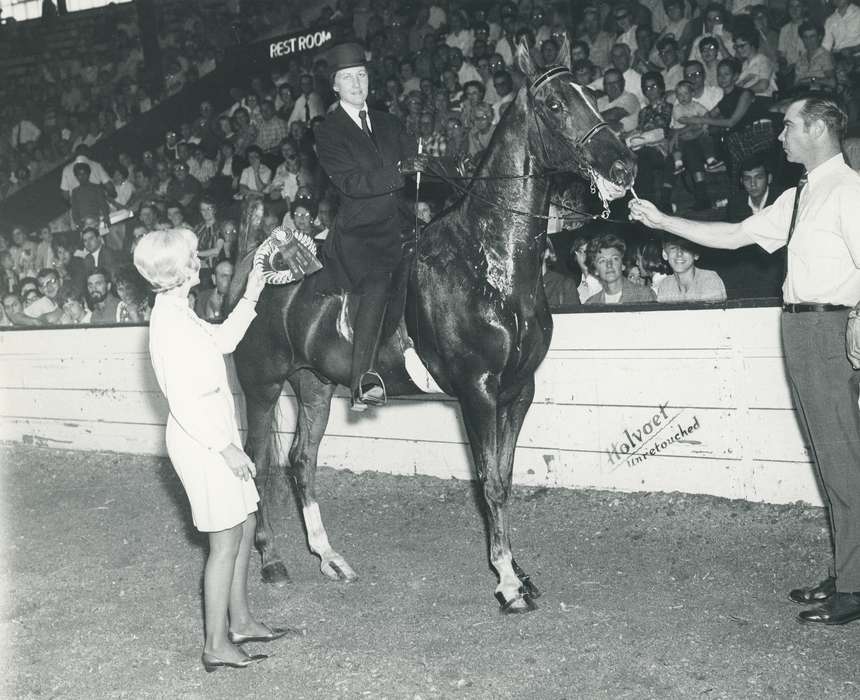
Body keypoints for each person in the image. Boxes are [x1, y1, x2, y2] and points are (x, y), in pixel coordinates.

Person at [629, 96, 860, 625]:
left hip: (829, 326)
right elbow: (734, 234)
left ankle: (856, 584)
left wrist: (856, 320)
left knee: (844, 457)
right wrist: (663, 219)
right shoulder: (803, 194)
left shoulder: (848, 190)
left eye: (788, 127)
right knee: (830, 455)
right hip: (801, 326)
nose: (779, 136)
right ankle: (848, 569)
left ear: (819, 129)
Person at [133, 228, 289, 671]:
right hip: (203, 442)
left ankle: (240, 621)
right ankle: (215, 644)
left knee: (246, 522)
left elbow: (222, 341)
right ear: (182, 270)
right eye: (193, 256)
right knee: (224, 540)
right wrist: (225, 448)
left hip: (213, 435)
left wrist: (253, 293)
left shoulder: (178, 311)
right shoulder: (170, 324)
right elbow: (182, 401)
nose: (200, 259)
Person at [314, 42, 424, 411]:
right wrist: (398, 173)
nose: (357, 83)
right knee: (378, 279)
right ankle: (364, 380)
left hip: (400, 223)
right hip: (360, 233)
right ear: (335, 85)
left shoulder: (390, 121)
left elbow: (417, 163)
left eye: (361, 75)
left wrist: (460, 168)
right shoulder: (329, 131)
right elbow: (351, 184)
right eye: (348, 77)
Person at [584, 233, 657, 305]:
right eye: (602, 261)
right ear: (595, 270)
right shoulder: (591, 304)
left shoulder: (645, 296)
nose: (609, 265)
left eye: (615, 258)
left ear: (622, 265)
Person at [656, 235, 727, 302]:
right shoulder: (665, 285)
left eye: (686, 248)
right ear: (665, 254)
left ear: (696, 254)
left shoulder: (709, 279)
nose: (679, 254)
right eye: (673, 248)